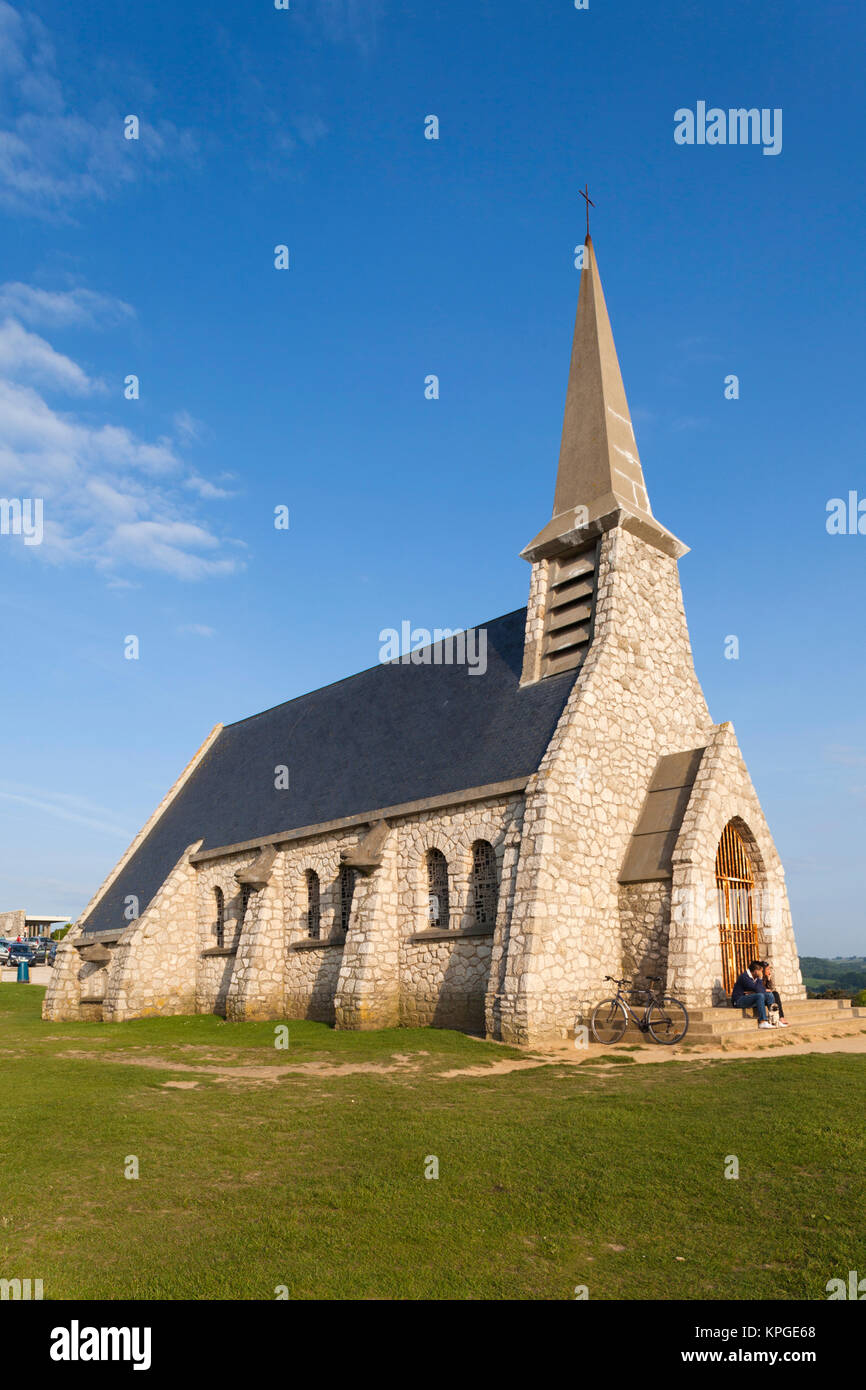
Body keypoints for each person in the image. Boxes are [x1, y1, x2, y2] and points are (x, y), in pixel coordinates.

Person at [730, 960, 775, 1028]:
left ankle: (773, 1019)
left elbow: (761, 989)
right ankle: (762, 1021)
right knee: (760, 996)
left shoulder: (755, 977)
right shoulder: (744, 977)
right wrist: (760, 979)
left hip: (748, 998)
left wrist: (757, 990)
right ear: (756, 971)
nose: (761, 973)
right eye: (760, 971)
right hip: (738, 1001)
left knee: (769, 995)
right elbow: (758, 990)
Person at [761, 959, 789, 1027]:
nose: (769, 971)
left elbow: (771, 989)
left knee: (775, 994)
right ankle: (776, 1018)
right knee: (773, 995)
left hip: (767, 996)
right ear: (763, 970)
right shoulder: (759, 978)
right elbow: (760, 990)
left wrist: (768, 980)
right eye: (767, 969)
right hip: (761, 997)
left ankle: (780, 1017)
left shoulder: (766, 978)